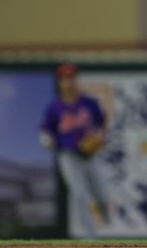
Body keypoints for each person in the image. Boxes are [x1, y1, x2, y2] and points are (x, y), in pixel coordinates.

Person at [39, 62, 108, 237]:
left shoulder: (89, 102)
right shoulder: (54, 107)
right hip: (68, 155)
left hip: (89, 155)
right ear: (60, 83)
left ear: (76, 80)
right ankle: (92, 238)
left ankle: (106, 216)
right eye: (65, 79)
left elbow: (101, 123)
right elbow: (45, 130)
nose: (69, 82)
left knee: (101, 194)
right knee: (79, 193)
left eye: (71, 78)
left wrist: (99, 136)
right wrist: (46, 140)